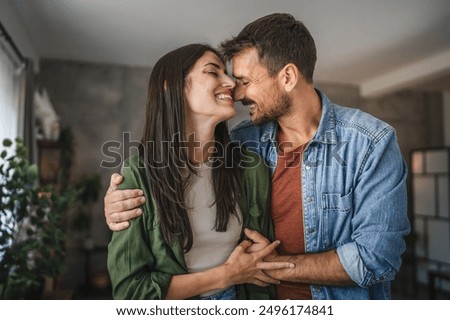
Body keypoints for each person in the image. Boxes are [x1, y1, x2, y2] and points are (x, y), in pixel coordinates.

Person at [104, 13, 410, 300]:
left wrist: (273, 264)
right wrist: (118, 207)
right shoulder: (244, 141)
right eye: (226, 77)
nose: (236, 92)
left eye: (245, 81)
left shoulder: (369, 143)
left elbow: (376, 259)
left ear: (287, 77)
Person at [106, 43, 294, 300]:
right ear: (170, 86)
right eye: (212, 72)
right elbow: (130, 293)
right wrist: (226, 275)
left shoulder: (250, 168)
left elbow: (259, 274)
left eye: (226, 73)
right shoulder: (138, 173)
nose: (230, 82)